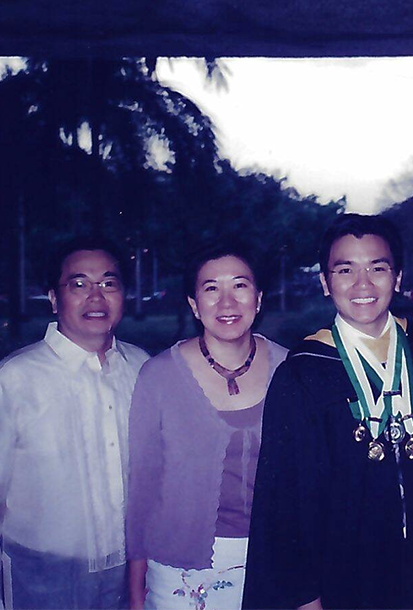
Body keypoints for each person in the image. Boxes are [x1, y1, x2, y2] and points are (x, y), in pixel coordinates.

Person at [242, 213, 413, 610]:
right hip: (342, 574)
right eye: (345, 270)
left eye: (378, 268)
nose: (363, 285)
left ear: (398, 277)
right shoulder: (303, 373)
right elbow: (283, 497)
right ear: (325, 282)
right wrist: (304, 596)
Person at [0, 237, 150, 610]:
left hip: (132, 583)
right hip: (41, 584)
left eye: (108, 283)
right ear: (54, 298)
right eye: (79, 284)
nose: (96, 297)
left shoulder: (143, 369)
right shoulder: (12, 381)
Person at [126, 243, 287, 610]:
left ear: (259, 298)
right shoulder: (158, 376)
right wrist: (136, 592)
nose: (227, 302)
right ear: (194, 305)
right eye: (211, 288)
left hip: (274, 560)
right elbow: (142, 489)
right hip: (179, 570)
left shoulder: (290, 370)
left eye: (240, 286)